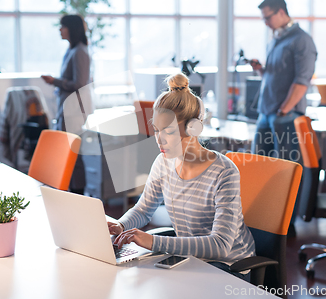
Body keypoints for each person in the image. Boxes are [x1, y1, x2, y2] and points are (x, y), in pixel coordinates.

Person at [108, 73, 256, 280]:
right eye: (157, 130)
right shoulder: (163, 163)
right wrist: (121, 225)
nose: (159, 139)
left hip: (229, 266)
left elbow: (221, 245)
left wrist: (152, 241)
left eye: (168, 131)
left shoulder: (224, 172)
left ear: (193, 128)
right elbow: (143, 209)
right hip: (191, 259)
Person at [250, 0, 317, 159]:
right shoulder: (275, 39)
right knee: (257, 163)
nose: (265, 23)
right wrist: (260, 69)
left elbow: (302, 81)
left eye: (267, 18)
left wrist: (283, 111)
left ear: (281, 12)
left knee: (284, 170)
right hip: (266, 112)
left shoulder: (301, 40)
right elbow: (272, 76)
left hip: (285, 115)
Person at [41, 14, 90, 194]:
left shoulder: (80, 52)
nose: (60, 30)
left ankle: (79, 194)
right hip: (68, 109)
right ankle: (73, 191)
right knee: (69, 154)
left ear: (72, 28)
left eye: (62, 26)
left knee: (74, 155)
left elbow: (80, 82)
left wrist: (55, 81)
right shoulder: (72, 50)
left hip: (74, 111)